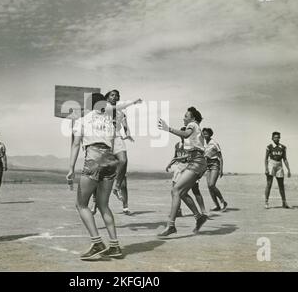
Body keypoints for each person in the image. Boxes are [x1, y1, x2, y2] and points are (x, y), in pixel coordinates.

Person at [66, 93, 142, 260]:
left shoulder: (83, 120)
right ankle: (115, 246)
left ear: (89, 105)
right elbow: (118, 108)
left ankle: (97, 242)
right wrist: (133, 102)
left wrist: (71, 168)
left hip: (94, 159)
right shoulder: (109, 120)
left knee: (81, 205)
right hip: (110, 160)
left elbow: (76, 144)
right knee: (103, 205)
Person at [157, 107, 208, 236]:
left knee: (175, 190)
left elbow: (185, 134)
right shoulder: (196, 130)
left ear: (193, 118)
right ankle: (199, 217)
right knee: (182, 193)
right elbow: (194, 150)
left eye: (186, 116)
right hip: (195, 161)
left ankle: (171, 226)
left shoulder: (192, 125)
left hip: (197, 162)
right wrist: (177, 159)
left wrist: (168, 128)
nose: (184, 118)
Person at [166, 127, 207, 217]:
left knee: (195, 190)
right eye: (181, 133)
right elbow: (175, 156)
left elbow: (191, 156)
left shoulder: (191, 144)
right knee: (175, 189)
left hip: (190, 167)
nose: (182, 134)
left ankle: (203, 212)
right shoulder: (177, 145)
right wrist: (169, 164)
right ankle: (178, 210)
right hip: (180, 167)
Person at [202, 128, 228, 212]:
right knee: (209, 187)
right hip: (207, 166)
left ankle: (222, 201)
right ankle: (217, 206)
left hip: (215, 165)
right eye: (203, 134)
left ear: (210, 134)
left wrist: (221, 169)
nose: (204, 135)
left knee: (211, 185)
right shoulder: (203, 144)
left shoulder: (214, 143)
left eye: (206, 134)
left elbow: (220, 157)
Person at [264, 132, 291, 209]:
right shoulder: (269, 147)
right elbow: (266, 159)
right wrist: (266, 168)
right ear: (272, 138)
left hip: (279, 164)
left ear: (280, 138)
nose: (277, 138)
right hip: (271, 164)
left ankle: (284, 202)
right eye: (275, 137)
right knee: (269, 184)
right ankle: (266, 202)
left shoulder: (283, 147)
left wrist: (288, 169)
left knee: (281, 185)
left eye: (278, 137)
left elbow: (285, 159)